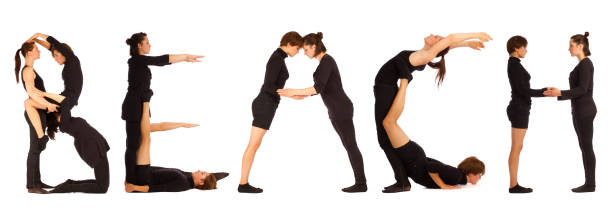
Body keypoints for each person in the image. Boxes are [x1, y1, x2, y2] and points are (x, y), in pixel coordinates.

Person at [372, 32, 492, 193]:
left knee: (386, 131)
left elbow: (449, 40)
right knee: (385, 137)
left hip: (385, 88)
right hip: (386, 88)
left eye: (436, 37)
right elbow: (447, 45)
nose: (432, 35)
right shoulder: (423, 54)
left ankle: (402, 182)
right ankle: (402, 181)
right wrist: (468, 44)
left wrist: (475, 35)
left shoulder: (425, 55)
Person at [277, 32, 367, 192]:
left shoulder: (327, 61)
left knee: (351, 146)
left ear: (314, 46)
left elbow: (317, 88)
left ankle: (361, 184)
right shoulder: (323, 63)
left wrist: (293, 91)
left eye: (305, 49)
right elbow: (320, 89)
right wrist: (298, 95)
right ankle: (360, 182)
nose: (304, 53)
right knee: (349, 146)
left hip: (341, 109)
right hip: (335, 110)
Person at [122, 32, 203, 186]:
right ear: (139, 45)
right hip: (134, 106)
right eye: (147, 42)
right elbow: (160, 60)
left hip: (141, 104)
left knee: (141, 140)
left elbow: (158, 62)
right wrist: (185, 57)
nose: (149, 45)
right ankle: (130, 181)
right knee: (133, 144)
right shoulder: (136, 60)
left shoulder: (140, 62)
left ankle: (133, 177)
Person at [238, 31, 304, 193]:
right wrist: (290, 93)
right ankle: (243, 184)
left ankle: (243, 183)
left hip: (267, 104)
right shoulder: (276, 59)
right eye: (297, 48)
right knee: (252, 146)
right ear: (289, 44)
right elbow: (269, 85)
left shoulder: (279, 57)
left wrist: (291, 95)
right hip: (265, 104)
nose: (298, 51)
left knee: (254, 145)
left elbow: (273, 86)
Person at [544, 32, 597, 193]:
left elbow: (582, 89)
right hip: (580, 110)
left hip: (585, 111)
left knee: (587, 147)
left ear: (581, 46)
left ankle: (590, 184)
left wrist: (560, 93)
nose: (569, 49)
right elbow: (579, 90)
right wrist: (559, 94)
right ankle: (589, 183)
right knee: (584, 146)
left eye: (571, 45)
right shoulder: (581, 65)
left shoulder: (586, 64)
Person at [124, 119, 228, 193]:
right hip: (142, 170)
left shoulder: (183, 184)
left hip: (142, 179)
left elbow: (159, 188)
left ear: (201, 183)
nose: (199, 170)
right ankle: (144, 100)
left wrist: (134, 187)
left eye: (202, 173)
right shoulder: (188, 176)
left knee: (146, 137)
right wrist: (224, 175)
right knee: (144, 130)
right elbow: (215, 176)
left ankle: (145, 99)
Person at [40, 93, 110, 194]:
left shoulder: (66, 121)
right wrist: (44, 95)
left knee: (101, 184)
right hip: (92, 147)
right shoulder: (64, 123)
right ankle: (68, 188)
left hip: (95, 145)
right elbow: (65, 102)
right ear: (55, 115)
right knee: (102, 188)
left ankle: (70, 184)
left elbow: (66, 103)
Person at [505, 35, 549, 193]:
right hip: (519, 109)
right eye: (524, 47)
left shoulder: (515, 64)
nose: (526, 50)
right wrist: (543, 92)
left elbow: (522, 89)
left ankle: (513, 184)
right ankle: (513, 185)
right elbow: (522, 90)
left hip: (520, 108)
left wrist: (542, 91)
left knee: (518, 147)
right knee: (516, 147)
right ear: (516, 48)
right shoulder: (514, 65)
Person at [14, 39, 59, 194]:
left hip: (40, 112)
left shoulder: (30, 70)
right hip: (35, 112)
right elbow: (32, 93)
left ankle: (36, 181)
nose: (39, 52)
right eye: (36, 49)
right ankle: (32, 185)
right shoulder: (27, 71)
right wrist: (48, 105)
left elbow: (37, 93)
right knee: (34, 148)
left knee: (37, 149)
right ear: (29, 53)